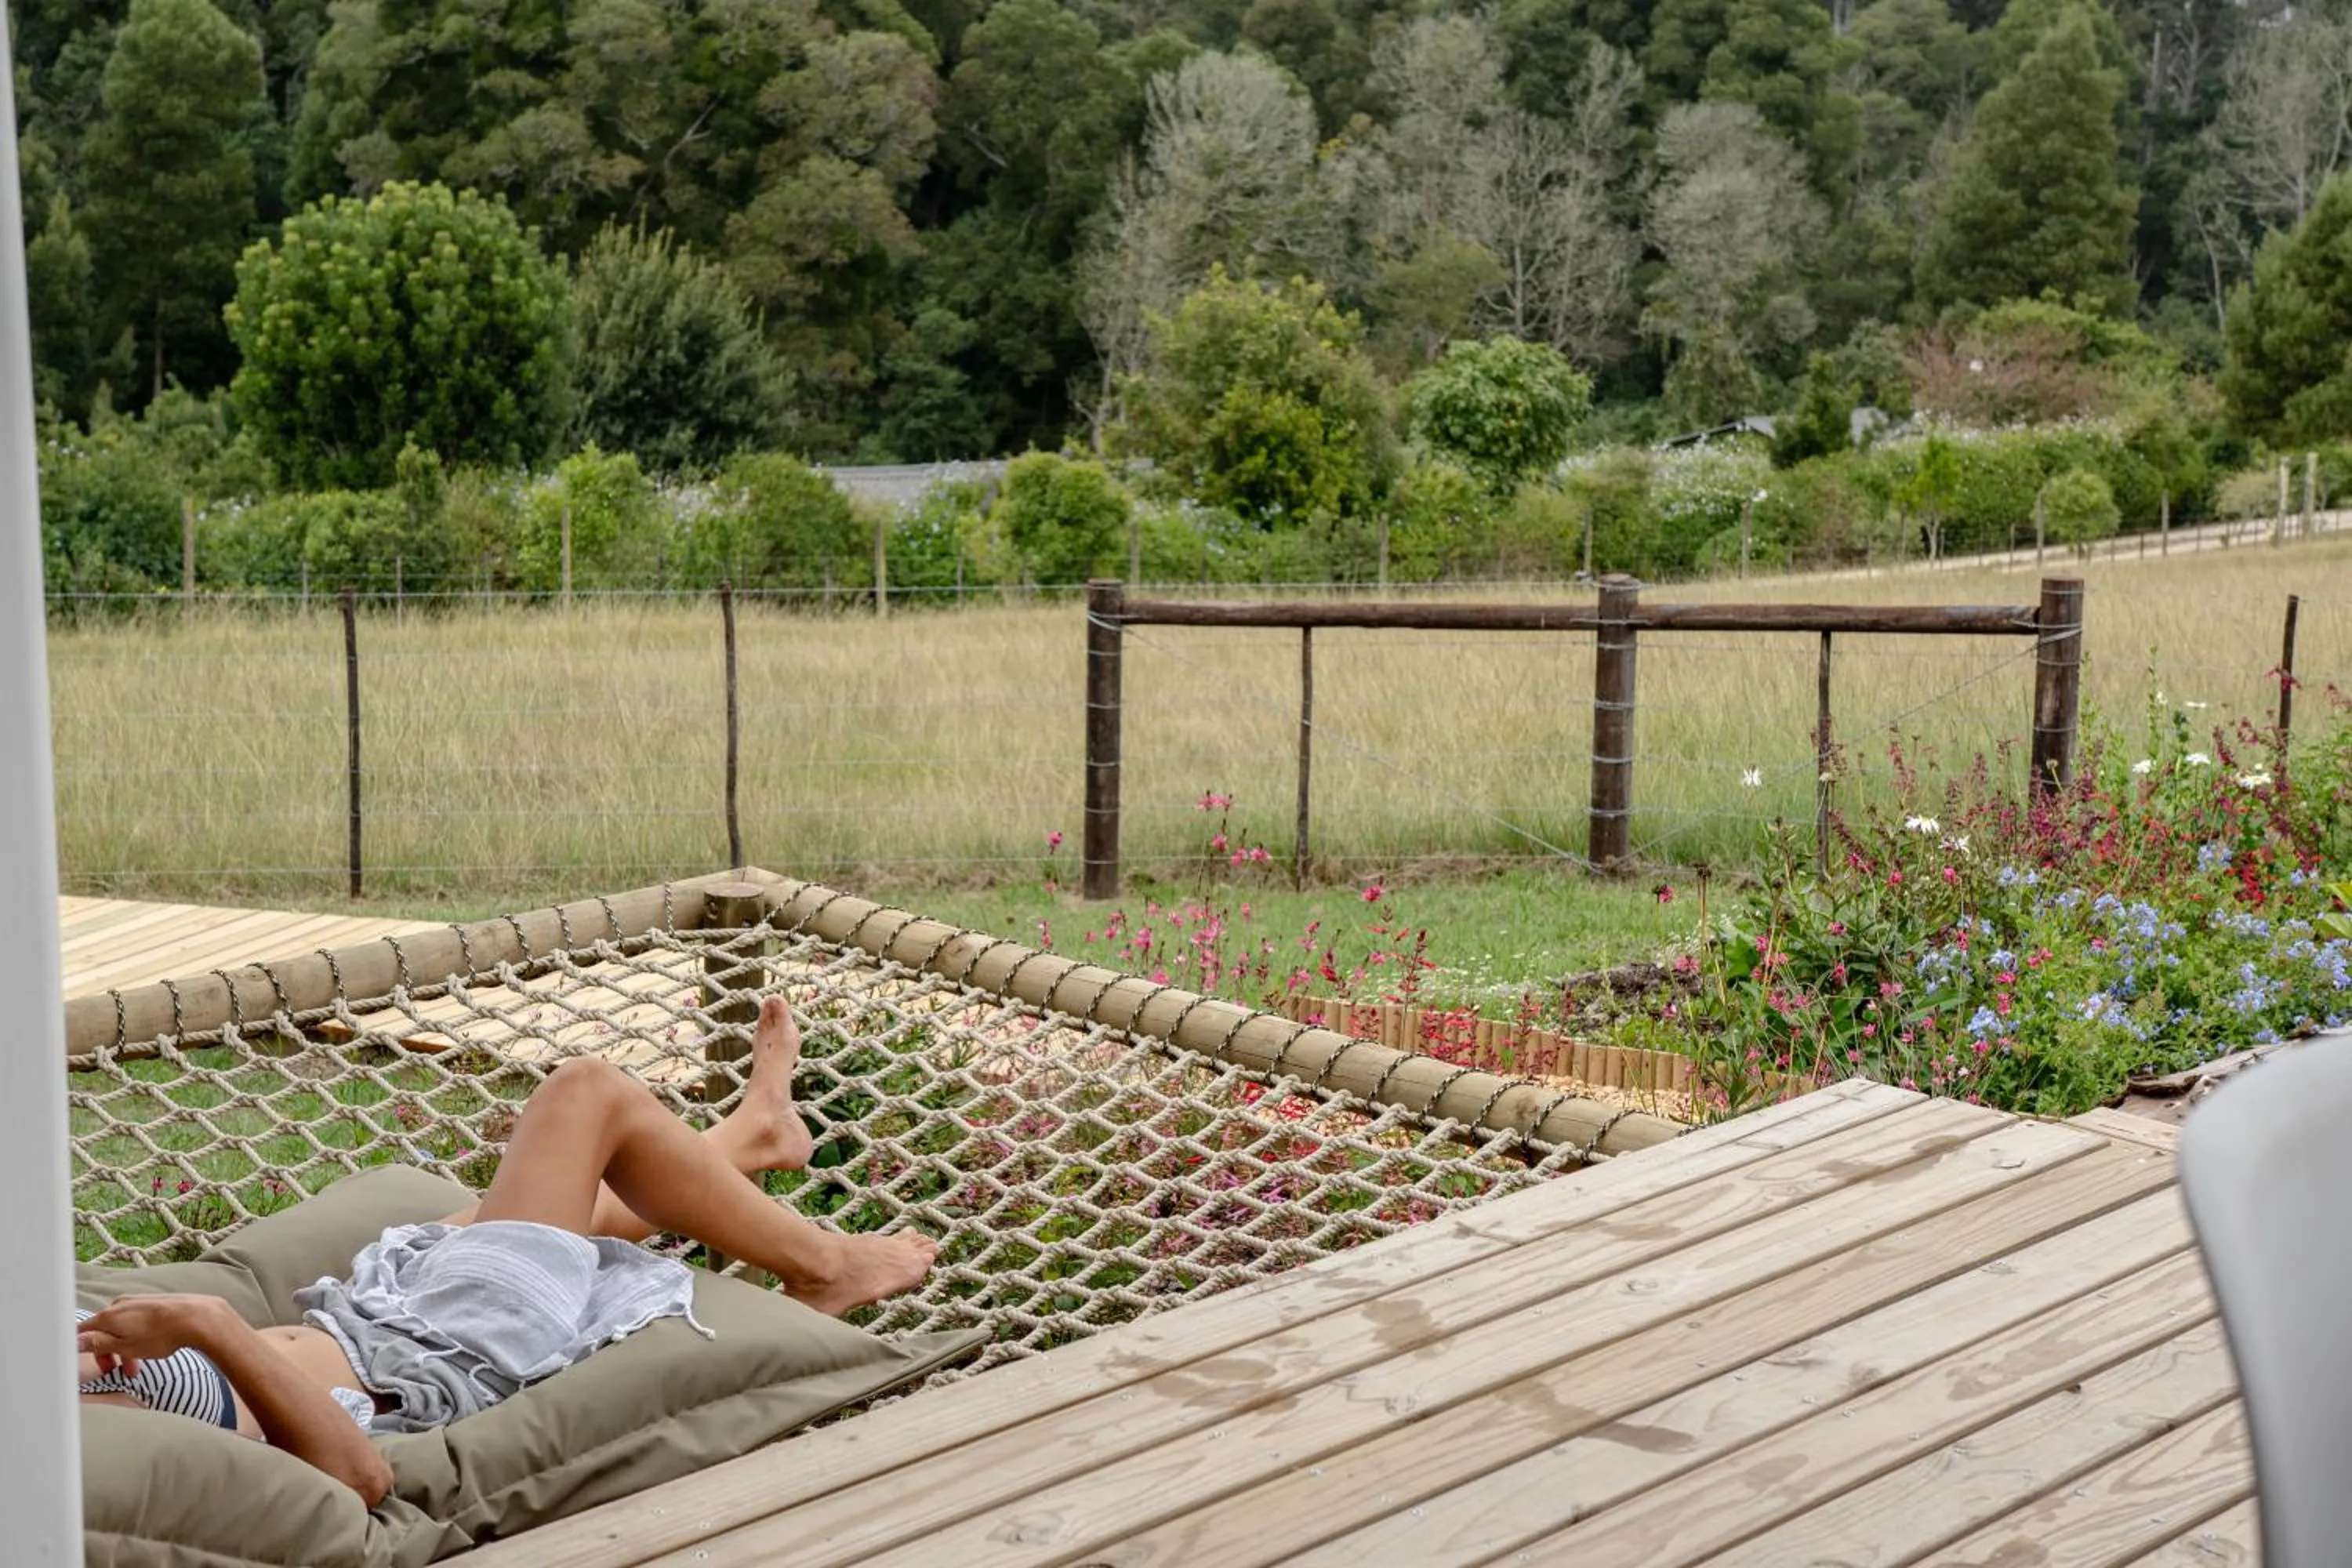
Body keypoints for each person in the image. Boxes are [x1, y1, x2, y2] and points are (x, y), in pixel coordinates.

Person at [75, 996, 937, 1506]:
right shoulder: (69, 1442)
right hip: (451, 1347)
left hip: (376, 1313)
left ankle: (751, 1135)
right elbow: (358, 1477)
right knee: (587, 1095)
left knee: (546, 1203)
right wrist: (213, 1325)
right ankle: (826, 1263)